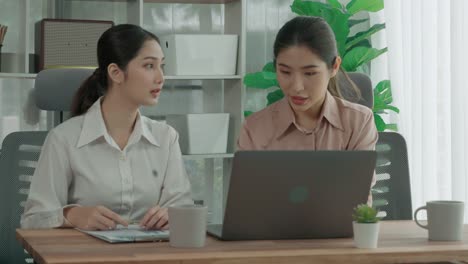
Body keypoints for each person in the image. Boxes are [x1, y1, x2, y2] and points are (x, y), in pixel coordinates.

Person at [21, 24, 192, 231]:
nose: (161, 78)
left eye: (161, 66)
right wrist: (72, 215)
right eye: (149, 66)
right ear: (116, 73)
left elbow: (182, 207)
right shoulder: (63, 139)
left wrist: (173, 214)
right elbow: (33, 219)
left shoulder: (166, 137)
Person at [238, 17, 378, 202]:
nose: (296, 87)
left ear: (334, 67)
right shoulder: (255, 130)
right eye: (285, 72)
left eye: (310, 73)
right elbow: (249, 203)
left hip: (343, 230)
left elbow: (358, 201)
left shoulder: (359, 122)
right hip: (276, 230)